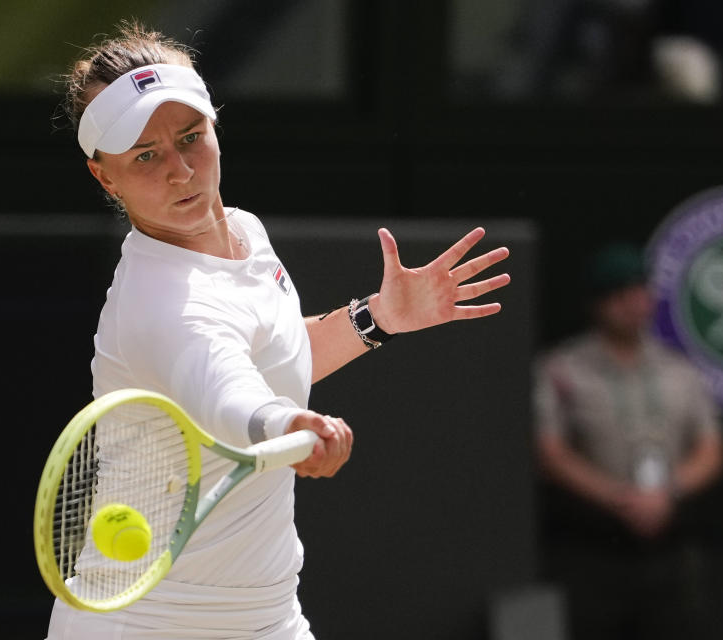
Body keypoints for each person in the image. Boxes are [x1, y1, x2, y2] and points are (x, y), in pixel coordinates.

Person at [46, 21, 510, 640]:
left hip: (268, 617)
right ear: (105, 176)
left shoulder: (244, 231)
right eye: (146, 157)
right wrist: (287, 424)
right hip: (143, 625)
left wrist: (378, 317)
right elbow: (227, 389)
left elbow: (273, 356)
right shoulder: (165, 306)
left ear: (215, 124)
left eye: (191, 138)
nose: (181, 172)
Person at [532, 242, 723, 640]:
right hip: (591, 547)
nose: (631, 303)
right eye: (617, 293)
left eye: (639, 290)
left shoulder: (681, 370)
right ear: (596, 303)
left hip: (669, 549)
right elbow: (549, 453)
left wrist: (666, 494)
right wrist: (620, 498)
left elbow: (711, 450)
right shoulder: (562, 369)